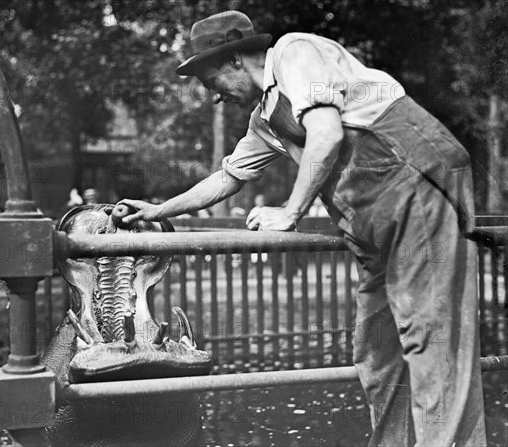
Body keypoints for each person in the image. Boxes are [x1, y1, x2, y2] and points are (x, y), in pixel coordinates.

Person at [120, 11, 486, 446]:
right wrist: (158, 210)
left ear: (236, 59)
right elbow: (227, 178)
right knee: (378, 351)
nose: (212, 96)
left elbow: (327, 133)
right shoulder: (266, 117)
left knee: (433, 342)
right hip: (372, 220)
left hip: (419, 187)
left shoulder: (296, 54)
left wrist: (290, 212)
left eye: (208, 78)